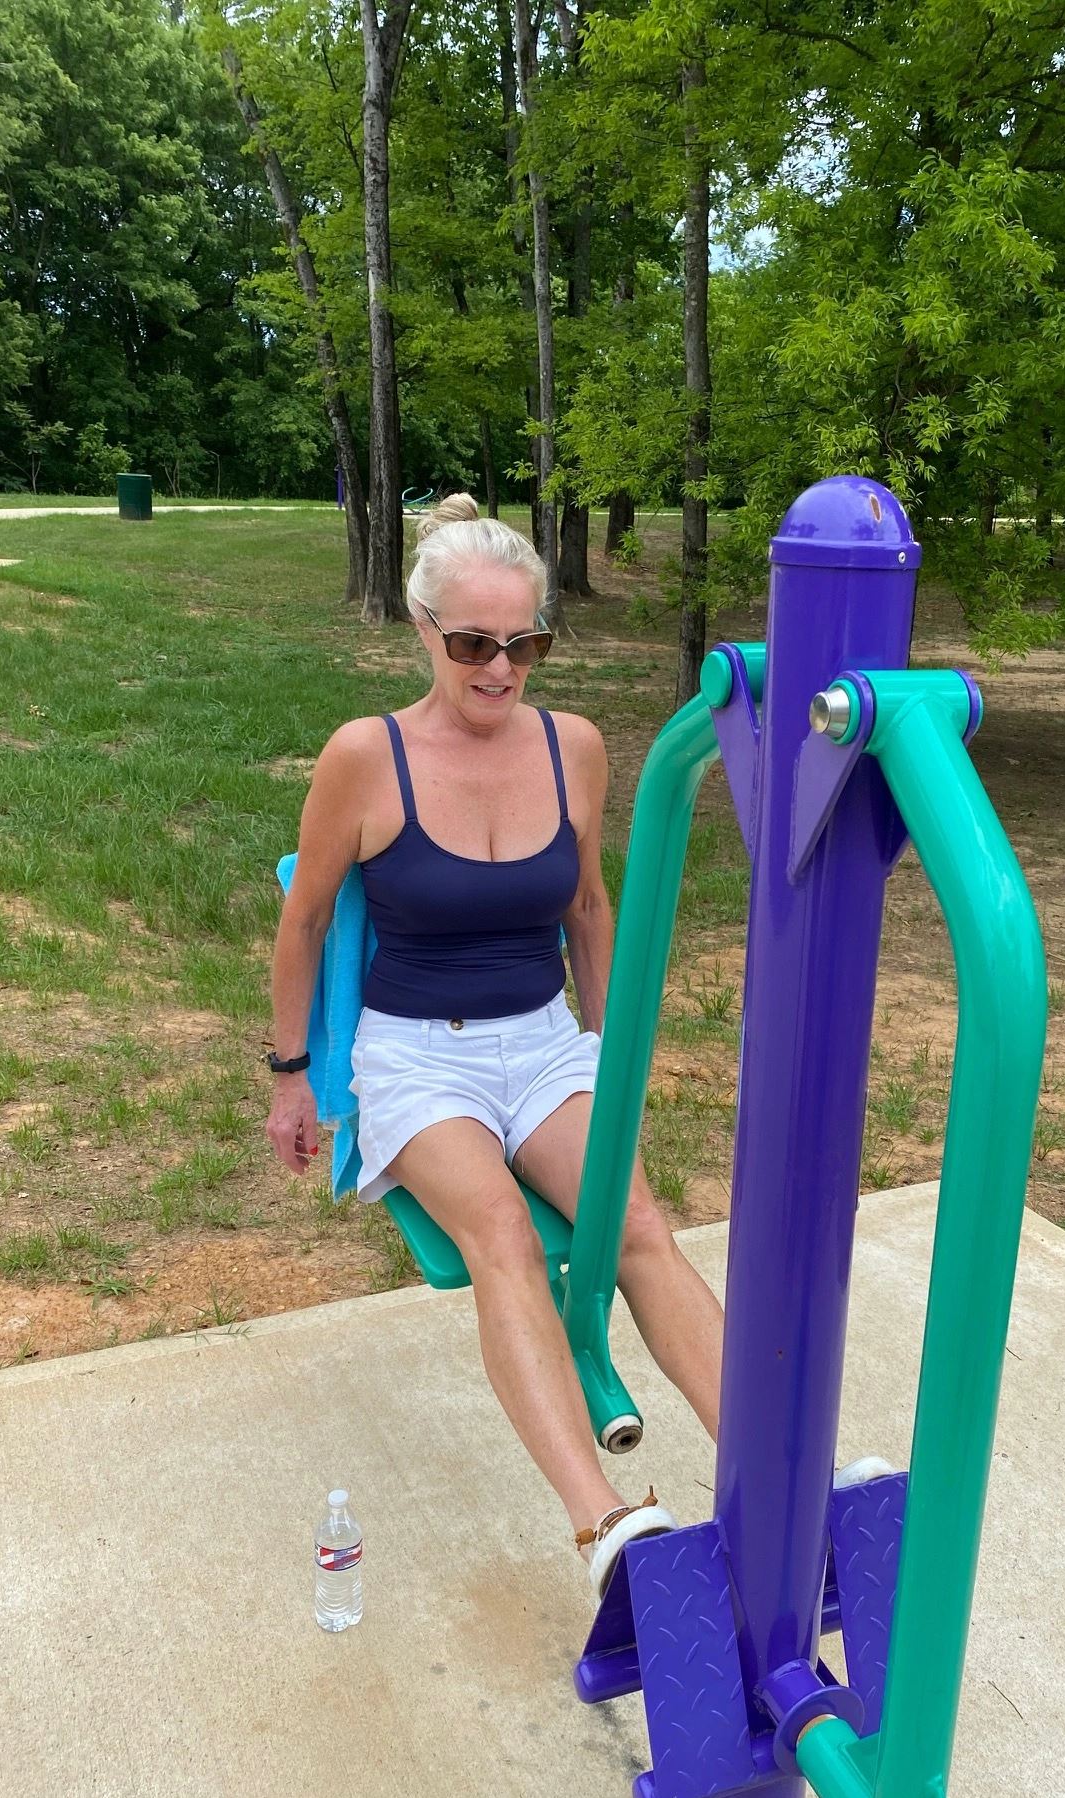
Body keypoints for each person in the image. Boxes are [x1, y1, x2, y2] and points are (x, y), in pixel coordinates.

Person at [265, 494, 726, 1596]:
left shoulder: (575, 748)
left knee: (636, 1225)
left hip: (541, 1038)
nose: (500, 668)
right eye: (474, 643)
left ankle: (774, 1473)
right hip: (417, 1055)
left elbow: (590, 910)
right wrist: (291, 1077)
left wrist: (612, 1055)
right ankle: (607, 1526)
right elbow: (307, 919)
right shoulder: (363, 758)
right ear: (424, 630)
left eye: (526, 644)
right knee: (504, 1239)